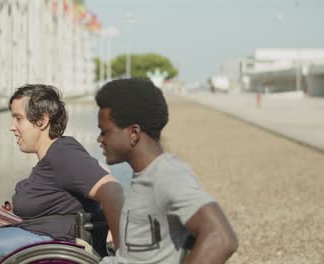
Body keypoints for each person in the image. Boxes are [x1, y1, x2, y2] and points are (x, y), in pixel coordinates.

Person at [0, 84, 124, 264]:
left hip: (52, 239)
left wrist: (121, 254)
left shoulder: (63, 153)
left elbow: (113, 190)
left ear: (42, 121)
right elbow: (98, 171)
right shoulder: (57, 154)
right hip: (37, 230)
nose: (12, 127)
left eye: (18, 118)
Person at [95, 79, 238, 264]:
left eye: (104, 131)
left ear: (134, 133)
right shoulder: (145, 175)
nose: (99, 139)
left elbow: (221, 237)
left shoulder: (168, 175)